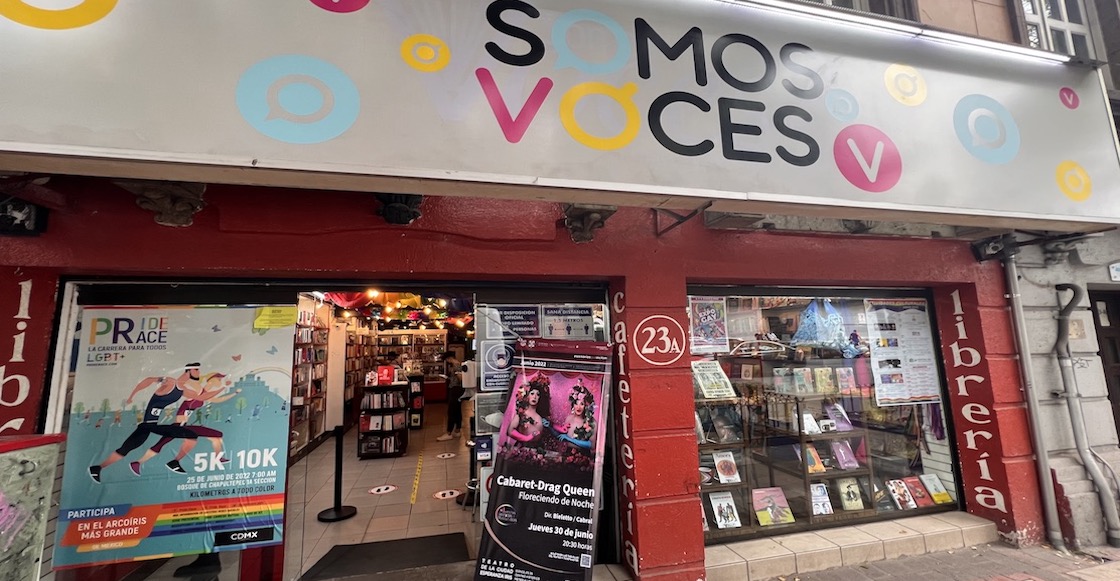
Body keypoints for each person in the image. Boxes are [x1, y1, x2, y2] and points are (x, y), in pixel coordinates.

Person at [89, 363, 204, 483]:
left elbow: (201, 398)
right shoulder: (170, 382)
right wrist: (132, 396)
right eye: (196, 370)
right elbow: (149, 380)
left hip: (149, 426)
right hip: (148, 424)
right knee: (190, 434)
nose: (199, 372)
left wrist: (216, 389)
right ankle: (173, 463)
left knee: (127, 448)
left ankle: (97, 468)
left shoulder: (184, 390)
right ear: (189, 370)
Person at [128, 373, 241, 476]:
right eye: (218, 379)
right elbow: (186, 383)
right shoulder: (197, 390)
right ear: (210, 380)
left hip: (183, 425)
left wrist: (233, 392)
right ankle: (154, 462)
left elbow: (219, 399)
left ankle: (216, 458)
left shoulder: (207, 395)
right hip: (179, 425)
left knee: (214, 436)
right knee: (164, 444)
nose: (219, 382)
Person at [505, 374, 551, 446]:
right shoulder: (521, 414)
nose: (534, 397)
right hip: (522, 449)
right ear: (527, 396)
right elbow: (510, 431)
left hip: (539, 450)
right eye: (532, 393)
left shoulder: (541, 417)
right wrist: (526, 438)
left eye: (538, 394)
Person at [553, 379, 595, 449]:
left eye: (582, 404)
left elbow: (591, 445)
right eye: (576, 403)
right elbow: (561, 437)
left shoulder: (591, 421)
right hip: (567, 453)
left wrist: (570, 439)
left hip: (582, 454)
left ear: (586, 405)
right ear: (573, 405)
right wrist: (550, 426)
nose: (578, 407)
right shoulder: (569, 418)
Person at [436, 352, 464, 441]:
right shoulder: (458, 364)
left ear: (449, 358)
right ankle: (457, 430)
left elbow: (460, 378)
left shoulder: (456, 366)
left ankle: (449, 432)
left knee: (451, 411)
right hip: (458, 390)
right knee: (457, 410)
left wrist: (451, 378)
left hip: (455, 390)